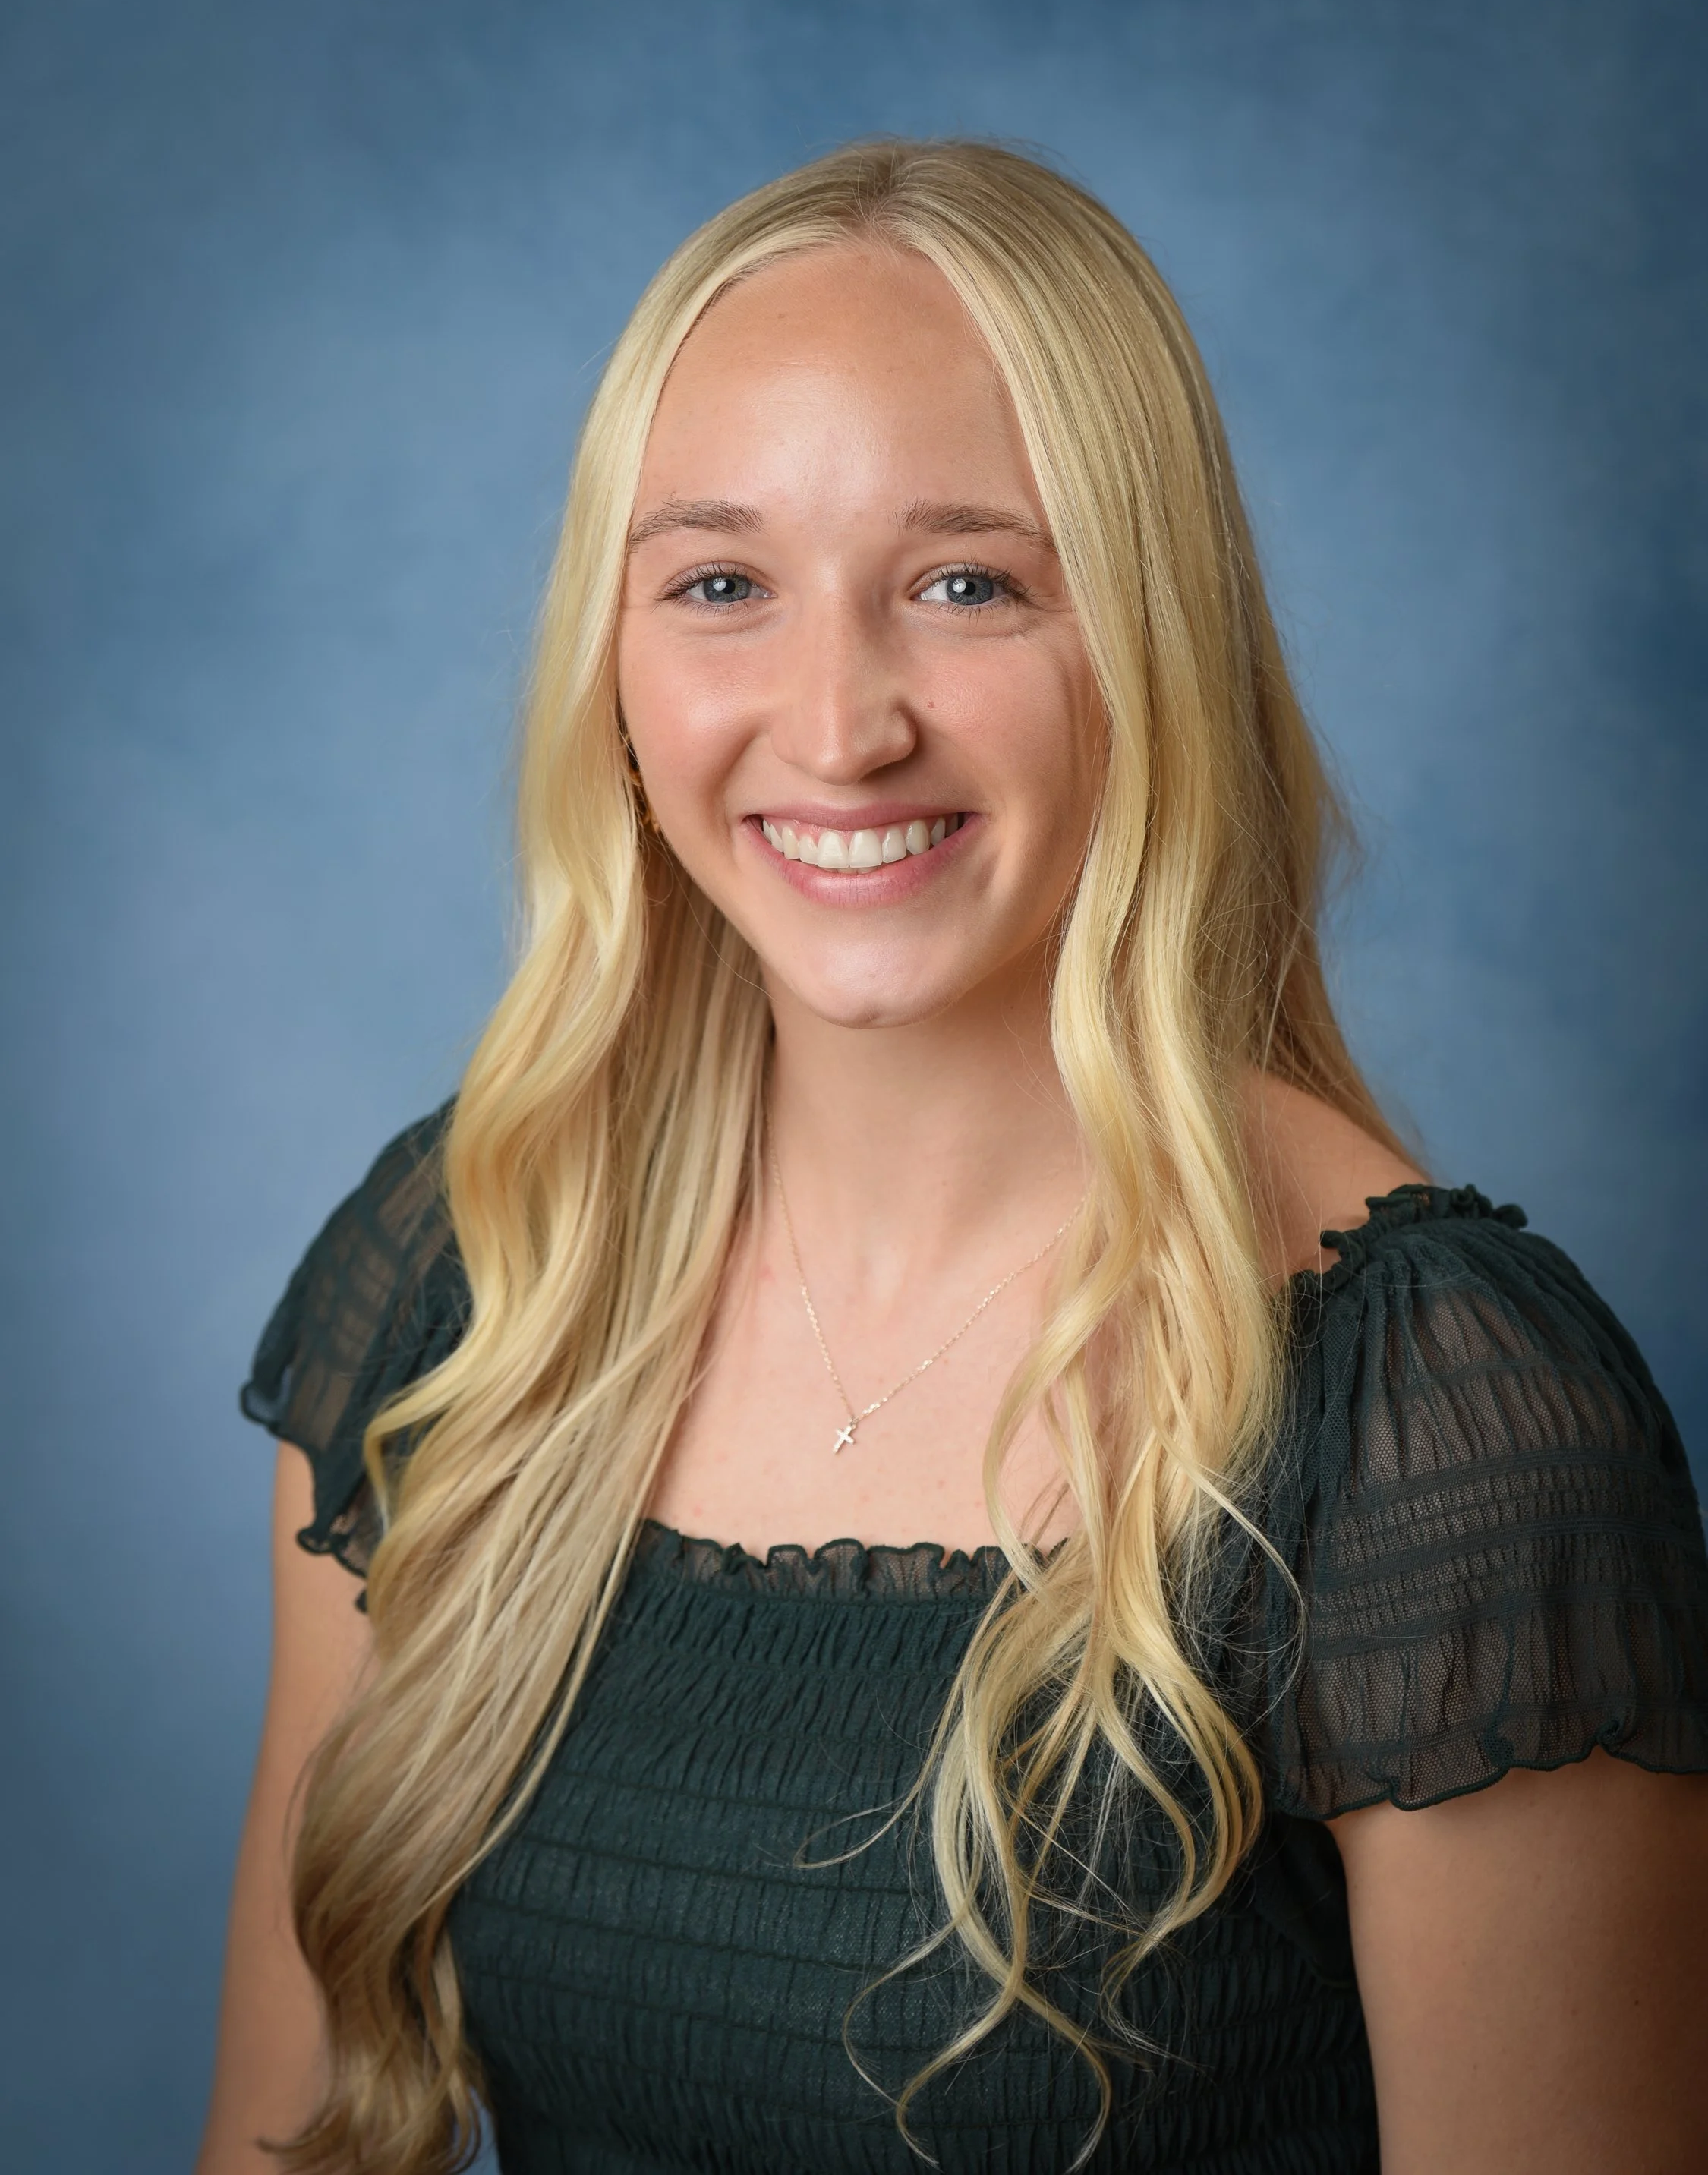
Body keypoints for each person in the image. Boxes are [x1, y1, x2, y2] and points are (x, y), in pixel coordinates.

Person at [197, 140, 1708, 2175]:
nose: (836, 726)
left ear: (1151, 643)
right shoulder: (471, 1261)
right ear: (614, 666)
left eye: (969, 584)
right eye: (721, 584)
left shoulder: (1433, 1419)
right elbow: (284, 2142)